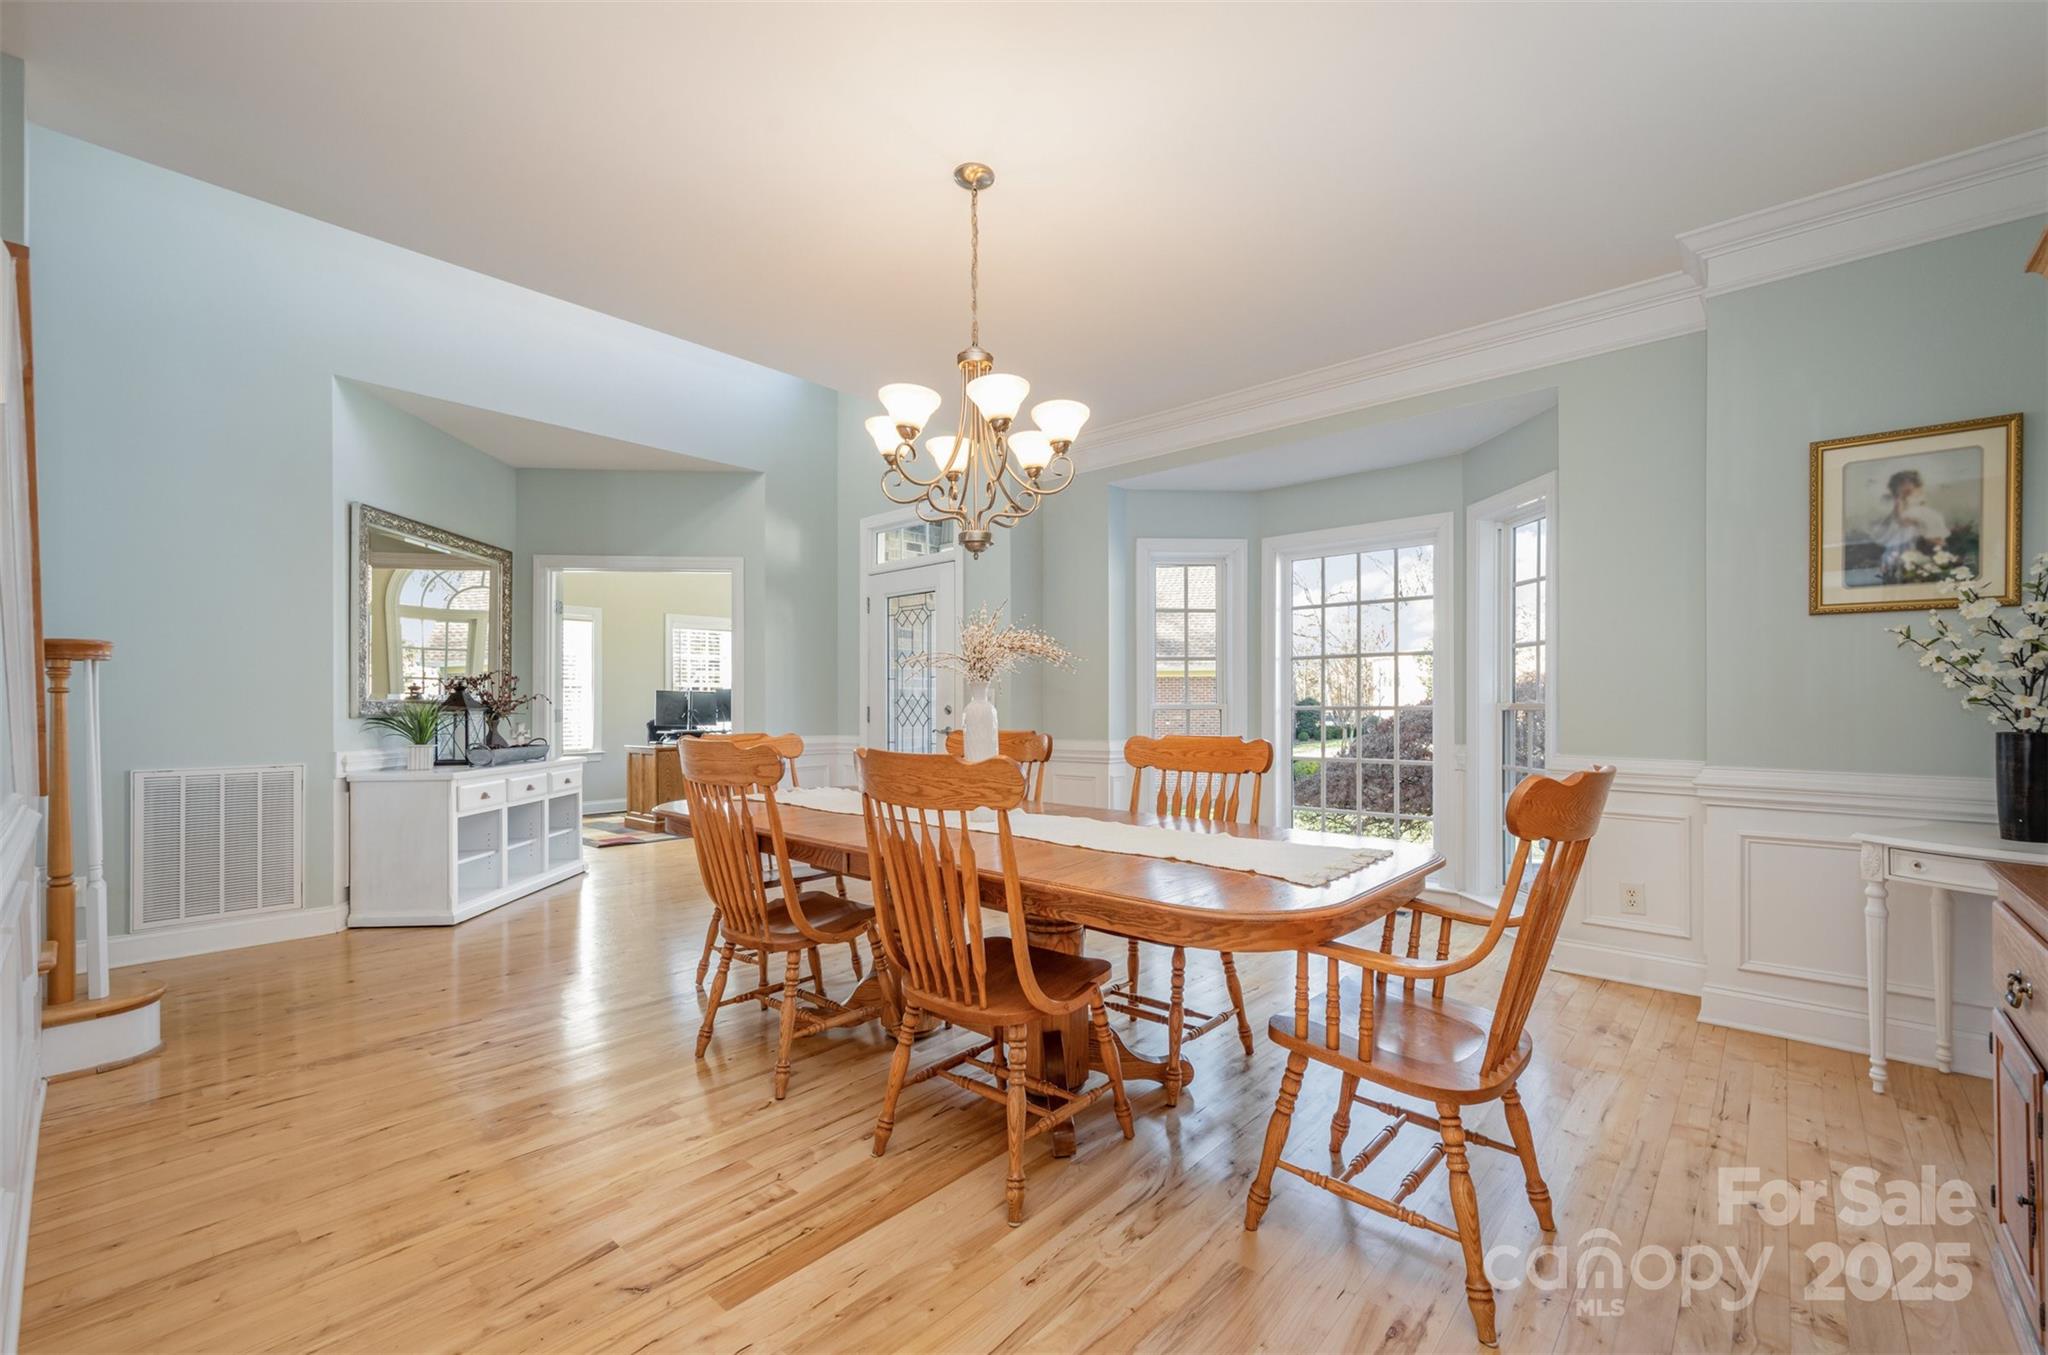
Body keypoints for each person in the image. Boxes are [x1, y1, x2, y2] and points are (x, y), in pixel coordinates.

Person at [1868, 468, 1949, 583]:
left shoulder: (1928, 515)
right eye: (1898, 495)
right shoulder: (1891, 519)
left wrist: (1926, 537)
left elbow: (1938, 542)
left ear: (1919, 491)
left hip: (1922, 559)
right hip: (1896, 560)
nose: (1903, 499)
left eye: (1908, 493)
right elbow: (1885, 536)